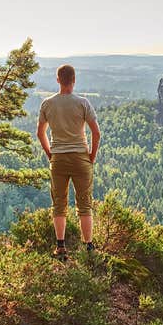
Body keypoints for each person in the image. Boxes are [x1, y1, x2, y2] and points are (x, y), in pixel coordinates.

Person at [36, 64, 101, 258]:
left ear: (57, 79)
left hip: (58, 159)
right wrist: (91, 156)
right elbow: (96, 133)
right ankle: (88, 247)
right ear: (74, 80)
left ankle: (61, 246)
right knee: (84, 204)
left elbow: (40, 133)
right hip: (81, 157)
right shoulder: (83, 103)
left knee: (59, 203)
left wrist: (50, 154)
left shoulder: (47, 104)